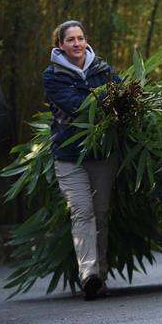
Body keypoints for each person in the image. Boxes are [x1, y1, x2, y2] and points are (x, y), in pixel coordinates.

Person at [43, 20, 121, 299]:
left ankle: (99, 273)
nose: (77, 44)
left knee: (100, 213)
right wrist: (103, 101)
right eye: (70, 40)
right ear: (60, 45)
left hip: (102, 154)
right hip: (69, 156)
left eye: (80, 38)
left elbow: (122, 97)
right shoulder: (52, 76)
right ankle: (88, 272)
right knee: (82, 211)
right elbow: (75, 106)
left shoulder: (103, 69)